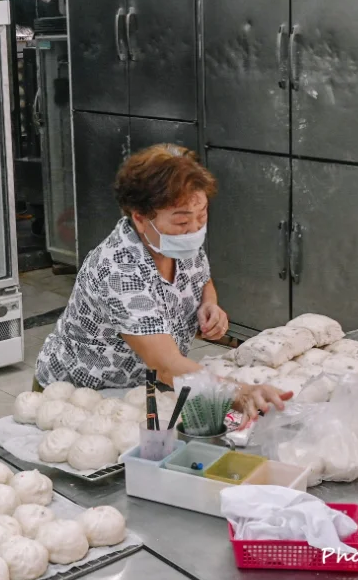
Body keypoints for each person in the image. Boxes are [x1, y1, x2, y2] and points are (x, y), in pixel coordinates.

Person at [34, 144, 288, 415]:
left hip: (144, 388)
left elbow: (201, 278)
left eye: (201, 216)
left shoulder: (177, 242)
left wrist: (209, 304)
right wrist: (240, 393)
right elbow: (166, 366)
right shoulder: (119, 270)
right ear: (141, 219)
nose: (194, 230)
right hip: (80, 397)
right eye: (181, 222)